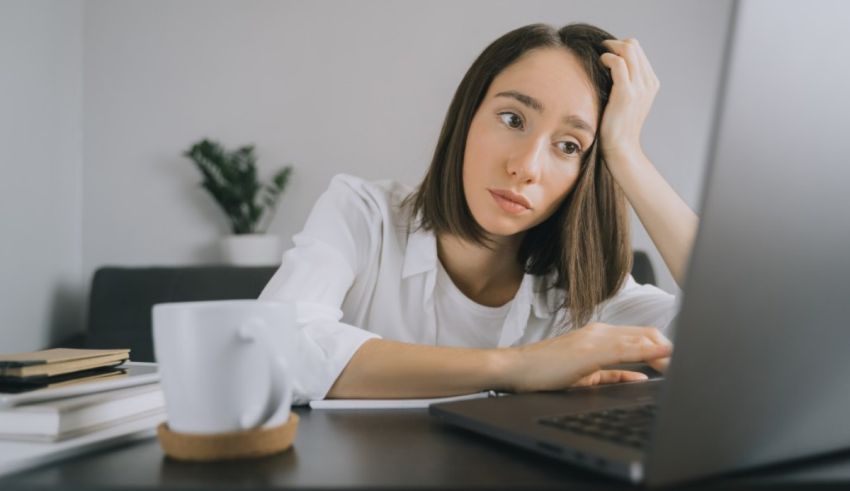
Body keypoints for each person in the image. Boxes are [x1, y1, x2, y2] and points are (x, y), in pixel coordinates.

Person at [259, 23, 698, 404]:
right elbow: (272, 348)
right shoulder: (361, 215)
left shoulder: (587, 289)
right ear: (467, 117)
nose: (525, 167)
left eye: (569, 147)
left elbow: (747, 340)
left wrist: (626, 154)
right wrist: (517, 367)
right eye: (512, 119)